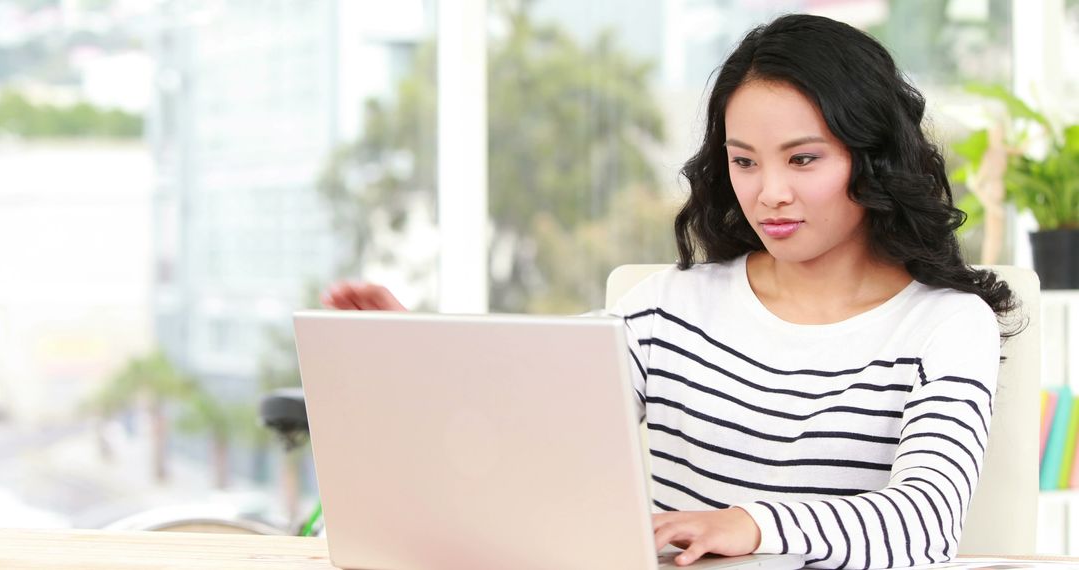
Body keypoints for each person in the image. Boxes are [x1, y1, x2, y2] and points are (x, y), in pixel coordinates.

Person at [322, 13, 1017, 570]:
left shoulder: (946, 326)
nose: (768, 193)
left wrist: (752, 524)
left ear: (871, 160)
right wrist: (407, 352)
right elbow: (517, 412)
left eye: (803, 159)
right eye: (744, 162)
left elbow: (926, 520)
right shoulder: (669, 308)